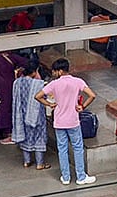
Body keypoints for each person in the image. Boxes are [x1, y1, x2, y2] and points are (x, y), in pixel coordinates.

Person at [37, 58, 97, 186]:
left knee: (62, 149)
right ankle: (81, 177)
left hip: (59, 121)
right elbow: (92, 95)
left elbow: (38, 96)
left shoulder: (54, 84)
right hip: (73, 121)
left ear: (59, 71)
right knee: (78, 148)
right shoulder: (77, 81)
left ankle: (65, 177)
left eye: (54, 71)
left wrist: (49, 104)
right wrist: (82, 106)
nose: (53, 73)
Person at [0, 51, 28, 144]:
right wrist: (20, 70)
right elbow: (26, 62)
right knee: (9, 107)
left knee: (1, 108)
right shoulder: (13, 57)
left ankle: (5, 132)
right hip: (10, 84)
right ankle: (9, 131)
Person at [11, 62, 49, 170]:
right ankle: (40, 163)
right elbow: (44, 97)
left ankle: (26, 161)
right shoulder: (38, 84)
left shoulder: (17, 82)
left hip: (21, 114)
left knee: (26, 137)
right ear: (34, 71)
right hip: (36, 115)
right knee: (39, 137)